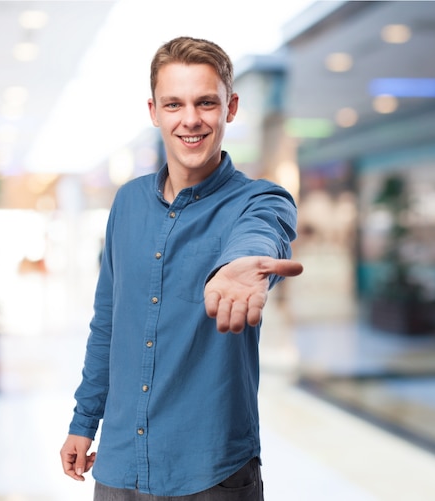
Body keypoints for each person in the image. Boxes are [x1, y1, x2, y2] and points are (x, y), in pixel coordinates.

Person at [59, 36, 303, 500]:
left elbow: (261, 232)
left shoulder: (259, 200)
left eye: (205, 103)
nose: (190, 119)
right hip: (118, 469)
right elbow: (108, 324)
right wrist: (84, 421)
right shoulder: (127, 202)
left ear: (230, 108)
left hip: (210, 472)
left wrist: (242, 263)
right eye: (174, 104)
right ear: (154, 111)